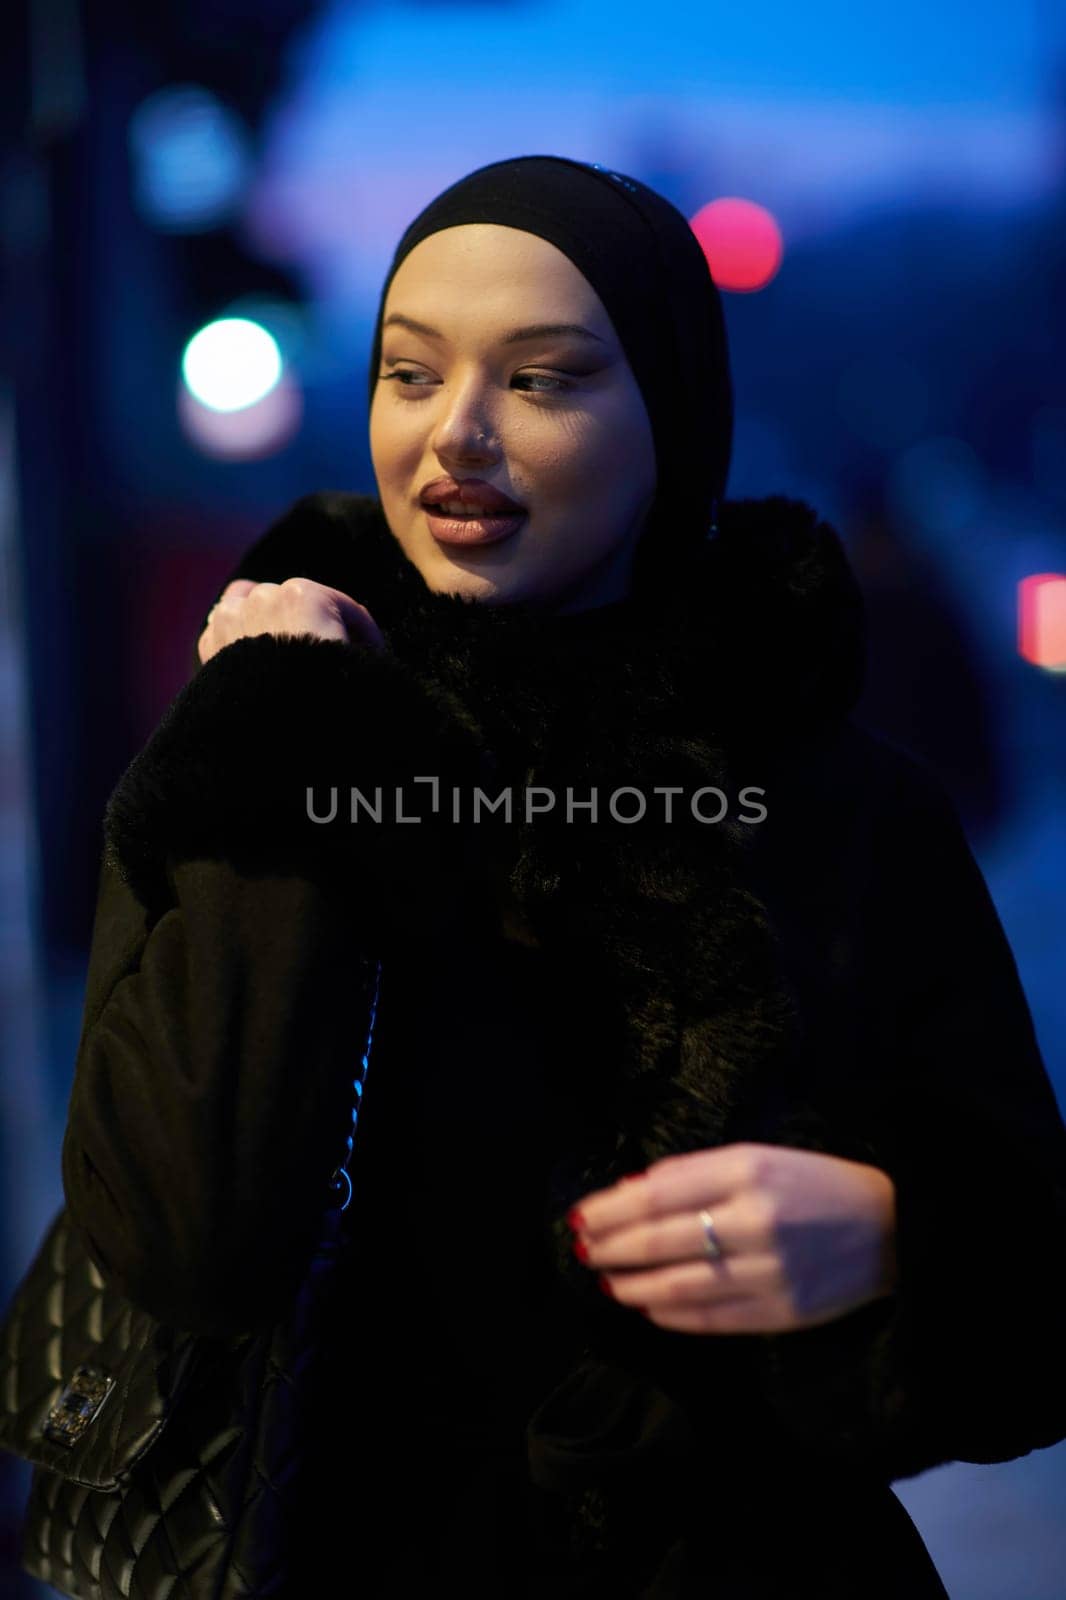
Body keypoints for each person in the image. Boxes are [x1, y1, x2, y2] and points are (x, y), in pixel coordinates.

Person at [60, 155, 1066, 1597]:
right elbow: (182, 1243)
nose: (455, 435)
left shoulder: (843, 807)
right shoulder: (255, 735)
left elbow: (1035, 1315)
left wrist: (903, 1237)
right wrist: (278, 747)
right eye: (410, 374)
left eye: (540, 380)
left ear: (668, 413)